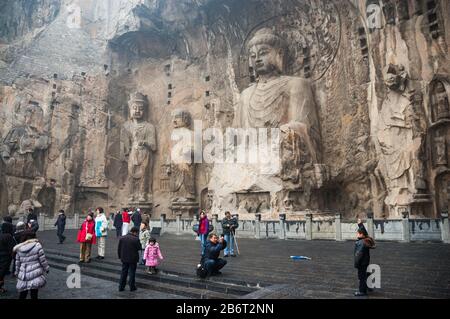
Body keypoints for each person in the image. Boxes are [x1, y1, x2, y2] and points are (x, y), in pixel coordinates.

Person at [13, 230, 49, 299]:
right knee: (34, 293)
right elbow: (42, 260)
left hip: (23, 273)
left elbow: (17, 263)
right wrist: (46, 268)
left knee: (23, 293)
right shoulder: (37, 245)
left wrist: (17, 272)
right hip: (35, 272)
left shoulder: (19, 248)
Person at [354, 219, 376, 297]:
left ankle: (362, 291)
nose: (356, 234)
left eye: (358, 233)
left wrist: (356, 264)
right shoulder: (366, 240)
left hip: (361, 263)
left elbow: (358, 255)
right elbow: (365, 233)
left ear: (361, 235)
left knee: (361, 277)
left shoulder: (361, 243)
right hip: (365, 261)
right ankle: (369, 286)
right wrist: (360, 224)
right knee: (365, 274)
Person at [117, 226, 142, 292]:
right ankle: (132, 287)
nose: (137, 234)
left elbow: (119, 248)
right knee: (132, 273)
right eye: (137, 233)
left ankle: (121, 287)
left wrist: (120, 256)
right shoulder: (136, 239)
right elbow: (139, 247)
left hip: (124, 258)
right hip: (133, 259)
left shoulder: (122, 238)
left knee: (123, 272)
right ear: (135, 232)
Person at [0, 222, 15, 294]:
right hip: (5, 258)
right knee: (2, 274)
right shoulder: (8, 236)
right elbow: (12, 249)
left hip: (1, 257)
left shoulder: (1, 235)